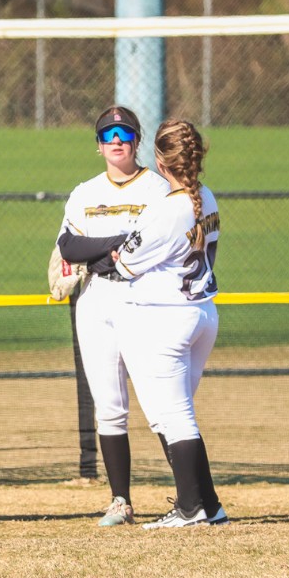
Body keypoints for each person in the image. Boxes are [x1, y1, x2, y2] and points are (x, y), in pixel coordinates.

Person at [56, 106, 171, 527]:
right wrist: (120, 243)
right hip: (96, 302)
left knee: (162, 403)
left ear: (137, 141)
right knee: (109, 406)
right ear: (98, 145)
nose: (117, 140)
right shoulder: (85, 192)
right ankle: (120, 501)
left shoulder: (158, 189)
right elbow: (69, 247)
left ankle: (189, 496)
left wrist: (104, 247)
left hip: (145, 300)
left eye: (125, 133)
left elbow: (158, 244)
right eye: (108, 135)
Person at [111, 118, 227, 528]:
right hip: (201, 314)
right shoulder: (206, 197)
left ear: (161, 163)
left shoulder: (167, 209)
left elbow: (123, 262)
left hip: (168, 320)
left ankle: (191, 508)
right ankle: (209, 505)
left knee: (174, 416)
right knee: (174, 415)